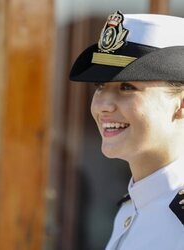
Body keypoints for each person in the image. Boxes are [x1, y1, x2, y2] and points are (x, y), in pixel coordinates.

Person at [69, 10, 184, 250]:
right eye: (100, 86)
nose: (103, 105)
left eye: (127, 86)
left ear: (181, 104)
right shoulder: (131, 207)